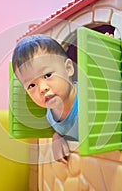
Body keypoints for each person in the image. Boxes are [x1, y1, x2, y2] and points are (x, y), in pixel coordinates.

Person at [12, 34, 78, 164]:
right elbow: (64, 131)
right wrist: (57, 136)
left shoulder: (87, 95)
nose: (42, 89)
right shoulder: (50, 115)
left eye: (47, 75)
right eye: (31, 85)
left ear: (68, 69)